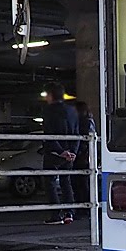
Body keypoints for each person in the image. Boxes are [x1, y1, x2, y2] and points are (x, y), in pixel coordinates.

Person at [42, 83, 79, 225]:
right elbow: (76, 132)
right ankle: (69, 212)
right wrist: (72, 152)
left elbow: (49, 133)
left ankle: (56, 214)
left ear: (51, 95)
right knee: (66, 181)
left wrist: (60, 151)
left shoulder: (48, 111)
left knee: (50, 182)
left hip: (54, 152)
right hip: (70, 151)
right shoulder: (72, 110)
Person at [70, 101, 96, 217]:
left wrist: (77, 152)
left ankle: (83, 209)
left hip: (82, 157)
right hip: (85, 156)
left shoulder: (83, 122)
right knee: (82, 183)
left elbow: (82, 140)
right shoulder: (88, 122)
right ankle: (85, 208)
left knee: (80, 184)